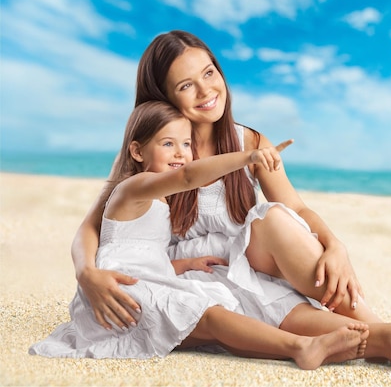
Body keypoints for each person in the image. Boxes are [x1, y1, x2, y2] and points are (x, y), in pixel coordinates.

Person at [71, 30, 391, 373]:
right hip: (187, 276)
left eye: (210, 73)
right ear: (162, 96)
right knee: (294, 322)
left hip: (247, 265)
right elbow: (96, 226)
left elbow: (298, 209)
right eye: (186, 85)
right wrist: (88, 273)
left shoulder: (249, 140)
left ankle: (385, 329)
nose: (205, 90)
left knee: (274, 218)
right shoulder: (156, 151)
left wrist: (335, 245)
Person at [29, 100, 369, 369]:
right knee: (210, 315)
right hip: (116, 289)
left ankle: (344, 337)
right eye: (168, 144)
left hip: (144, 280)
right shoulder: (135, 186)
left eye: (186, 144)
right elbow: (189, 177)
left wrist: (184, 264)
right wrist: (248, 157)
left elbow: (142, 254)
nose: (180, 153)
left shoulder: (156, 200)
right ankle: (300, 347)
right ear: (136, 151)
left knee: (211, 313)